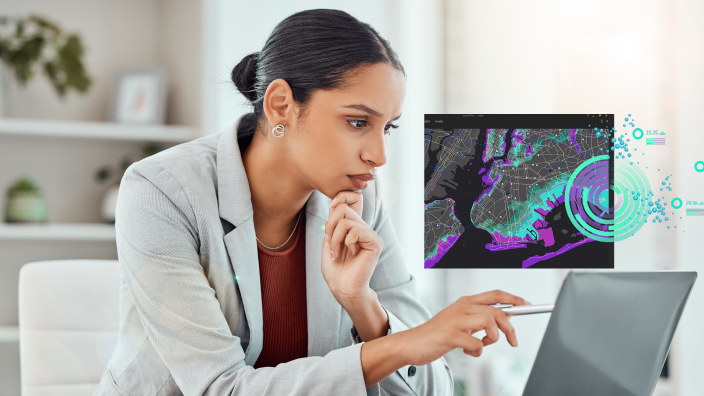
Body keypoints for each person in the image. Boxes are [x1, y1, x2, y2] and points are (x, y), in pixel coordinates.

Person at [94, 9, 529, 396]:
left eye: (388, 128)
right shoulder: (162, 191)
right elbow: (219, 389)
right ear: (281, 105)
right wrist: (399, 344)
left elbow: (431, 388)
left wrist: (362, 305)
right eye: (357, 122)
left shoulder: (362, 199)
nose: (378, 155)